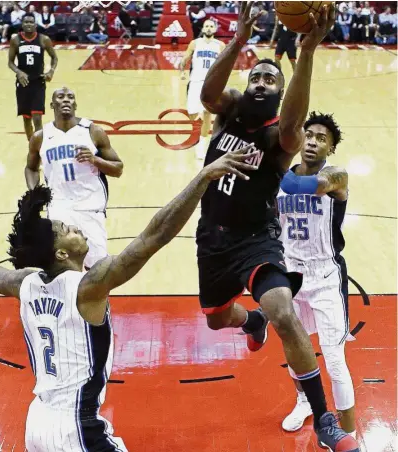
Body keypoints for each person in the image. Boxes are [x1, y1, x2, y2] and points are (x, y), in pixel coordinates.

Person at [0, 147, 256, 452]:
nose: (75, 227)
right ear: (62, 253)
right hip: (77, 428)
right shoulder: (88, 285)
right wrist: (203, 177)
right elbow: (154, 236)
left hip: (37, 422)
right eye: (67, 230)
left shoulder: (23, 282)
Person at [197, 3, 359, 451]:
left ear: (282, 92)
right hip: (212, 239)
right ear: (247, 84)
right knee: (216, 320)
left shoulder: (279, 137)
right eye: (258, 77)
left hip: (261, 242)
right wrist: (237, 39)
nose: (263, 83)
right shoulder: (228, 111)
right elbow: (208, 96)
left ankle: (326, 419)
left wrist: (305, 53)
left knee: (285, 315)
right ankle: (251, 321)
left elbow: (292, 132)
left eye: (273, 79)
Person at [277, 112, 356, 439]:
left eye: (321, 138)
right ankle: (305, 401)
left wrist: (269, 163)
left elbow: (304, 185)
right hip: (290, 276)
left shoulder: (336, 176)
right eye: (308, 134)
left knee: (334, 359)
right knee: (295, 349)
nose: (312, 141)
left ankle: (347, 435)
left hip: (325, 277)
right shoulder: (282, 176)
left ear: (331, 147)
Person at [25, 87, 123, 270]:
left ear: (75, 104)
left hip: (89, 206)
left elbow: (118, 169)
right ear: (52, 104)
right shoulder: (40, 137)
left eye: (70, 97)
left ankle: (99, 299)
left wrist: (95, 160)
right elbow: (31, 168)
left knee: (98, 269)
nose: (66, 100)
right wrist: (34, 191)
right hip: (58, 206)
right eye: (60, 97)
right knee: (62, 266)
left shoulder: (93, 131)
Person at [179, 19, 225, 159]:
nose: (209, 28)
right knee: (192, 113)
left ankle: (202, 144)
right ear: (203, 29)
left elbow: (225, 63)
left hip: (210, 83)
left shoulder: (220, 45)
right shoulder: (195, 43)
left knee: (206, 113)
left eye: (211, 26)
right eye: (207, 26)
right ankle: (199, 125)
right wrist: (182, 71)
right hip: (195, 81)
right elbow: (185, 59)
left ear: (215, 29)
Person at [8, 13, 58, 141]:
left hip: (38, 82)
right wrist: (19, 72)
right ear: (22, 24)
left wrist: (51, 71)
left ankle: (39, 148)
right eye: (26, 22)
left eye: (31, 22)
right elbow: (10, 62)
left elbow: (54, 57)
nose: (28, 24)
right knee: (26, 118)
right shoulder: (16, 40)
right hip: (23, 83)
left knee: (37, 117)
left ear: (35, 24)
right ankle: (31, 145)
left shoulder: (43, 39)